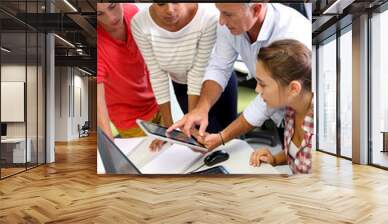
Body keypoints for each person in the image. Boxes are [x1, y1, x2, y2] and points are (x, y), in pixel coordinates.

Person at [167, 3, 311, 141]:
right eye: (220, 12)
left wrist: (223, 137)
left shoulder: (290, 35)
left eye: (228, 14)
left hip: (302, 114)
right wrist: (201, 108)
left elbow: (264, 104)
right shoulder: (230, 24)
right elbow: (219, 67)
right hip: (284, 117)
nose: (222, 21)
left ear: (256, 9)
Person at [132, 3, 237, 150]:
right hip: (182, 86)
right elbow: (156, 74)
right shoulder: (139, 23)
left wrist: (191, 121)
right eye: (161, 3)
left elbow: (197, 72)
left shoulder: (207, 16)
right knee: (201, 145)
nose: (170, 10)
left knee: (229, 140)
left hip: (217, 83)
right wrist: (167, 128)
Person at [198, 40, 314, 174]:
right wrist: (275, 159)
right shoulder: (291, 110)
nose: (257, 90)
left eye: (263, 84)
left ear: (293, 89)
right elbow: (297, 153)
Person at [97, 3, 160, 141]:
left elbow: (151, 61)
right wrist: (110, 148)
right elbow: (98, 101)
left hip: (156, 104)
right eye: (99, 13)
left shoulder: (133, 12)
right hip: (132, 121)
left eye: (112, 6)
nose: (111, 18)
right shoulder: (96, 44)